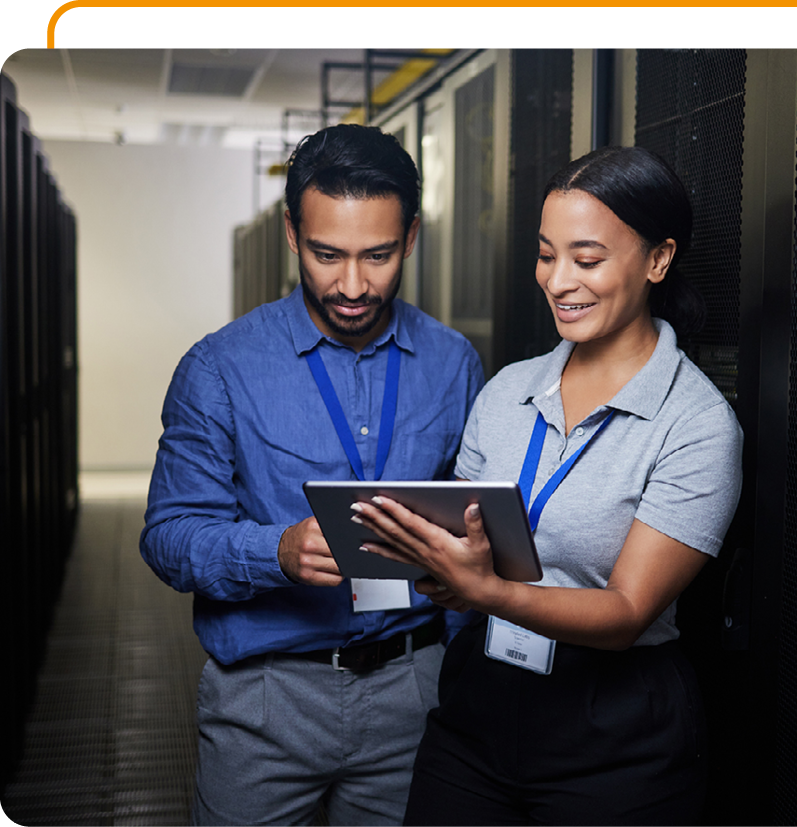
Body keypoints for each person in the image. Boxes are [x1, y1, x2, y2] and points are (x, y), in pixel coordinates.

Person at [356, 145, 744, 826]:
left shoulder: (698, 423)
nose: (559, 281)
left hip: (616, 730)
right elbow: (460, 532)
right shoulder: (508, 390)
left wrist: (488, 590)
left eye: (587, 259)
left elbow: (626, 612)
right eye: (546, 254)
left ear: (658, 260)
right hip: (480, 706)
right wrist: (413, 553)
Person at [139, 123, 485, 826]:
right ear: (294, 234)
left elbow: (474, 528)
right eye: (328, 254)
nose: (353, 284)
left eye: (378, 256)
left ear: (411, 239)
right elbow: (169, 536)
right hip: (264, 700)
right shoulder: (219, 368)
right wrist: (275, 551)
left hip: (413, 691)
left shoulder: (454, 364)